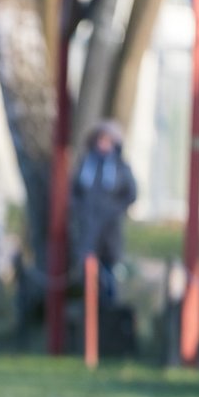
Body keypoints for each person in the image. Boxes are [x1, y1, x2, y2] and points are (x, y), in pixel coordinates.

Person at [69, 120, 137, 301]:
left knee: (109, 272)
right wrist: (80, 209)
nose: (103, 144)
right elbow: (74, 191)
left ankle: (108, 310)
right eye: (101, 139)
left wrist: (115, 210)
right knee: (88, 270)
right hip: (88, 227)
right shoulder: (87, 164)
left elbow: (131, 193)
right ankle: (89, 308)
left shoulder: (120, 167)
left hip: (110, 229)